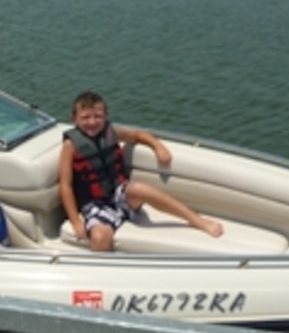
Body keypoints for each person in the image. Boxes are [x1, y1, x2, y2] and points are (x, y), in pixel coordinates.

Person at [59, 90, 223, 252]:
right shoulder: (70, 146)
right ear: (74, 119)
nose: (92, 122)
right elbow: (66, 186)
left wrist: (158, 147)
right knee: (100, 237)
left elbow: (138, 135)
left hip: (119, 193)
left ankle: (196, 220)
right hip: (95, 204)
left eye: (98, 116)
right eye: (85, 117)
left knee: (139, 189)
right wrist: (75, 221)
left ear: (106, 115)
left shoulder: (112, 132)